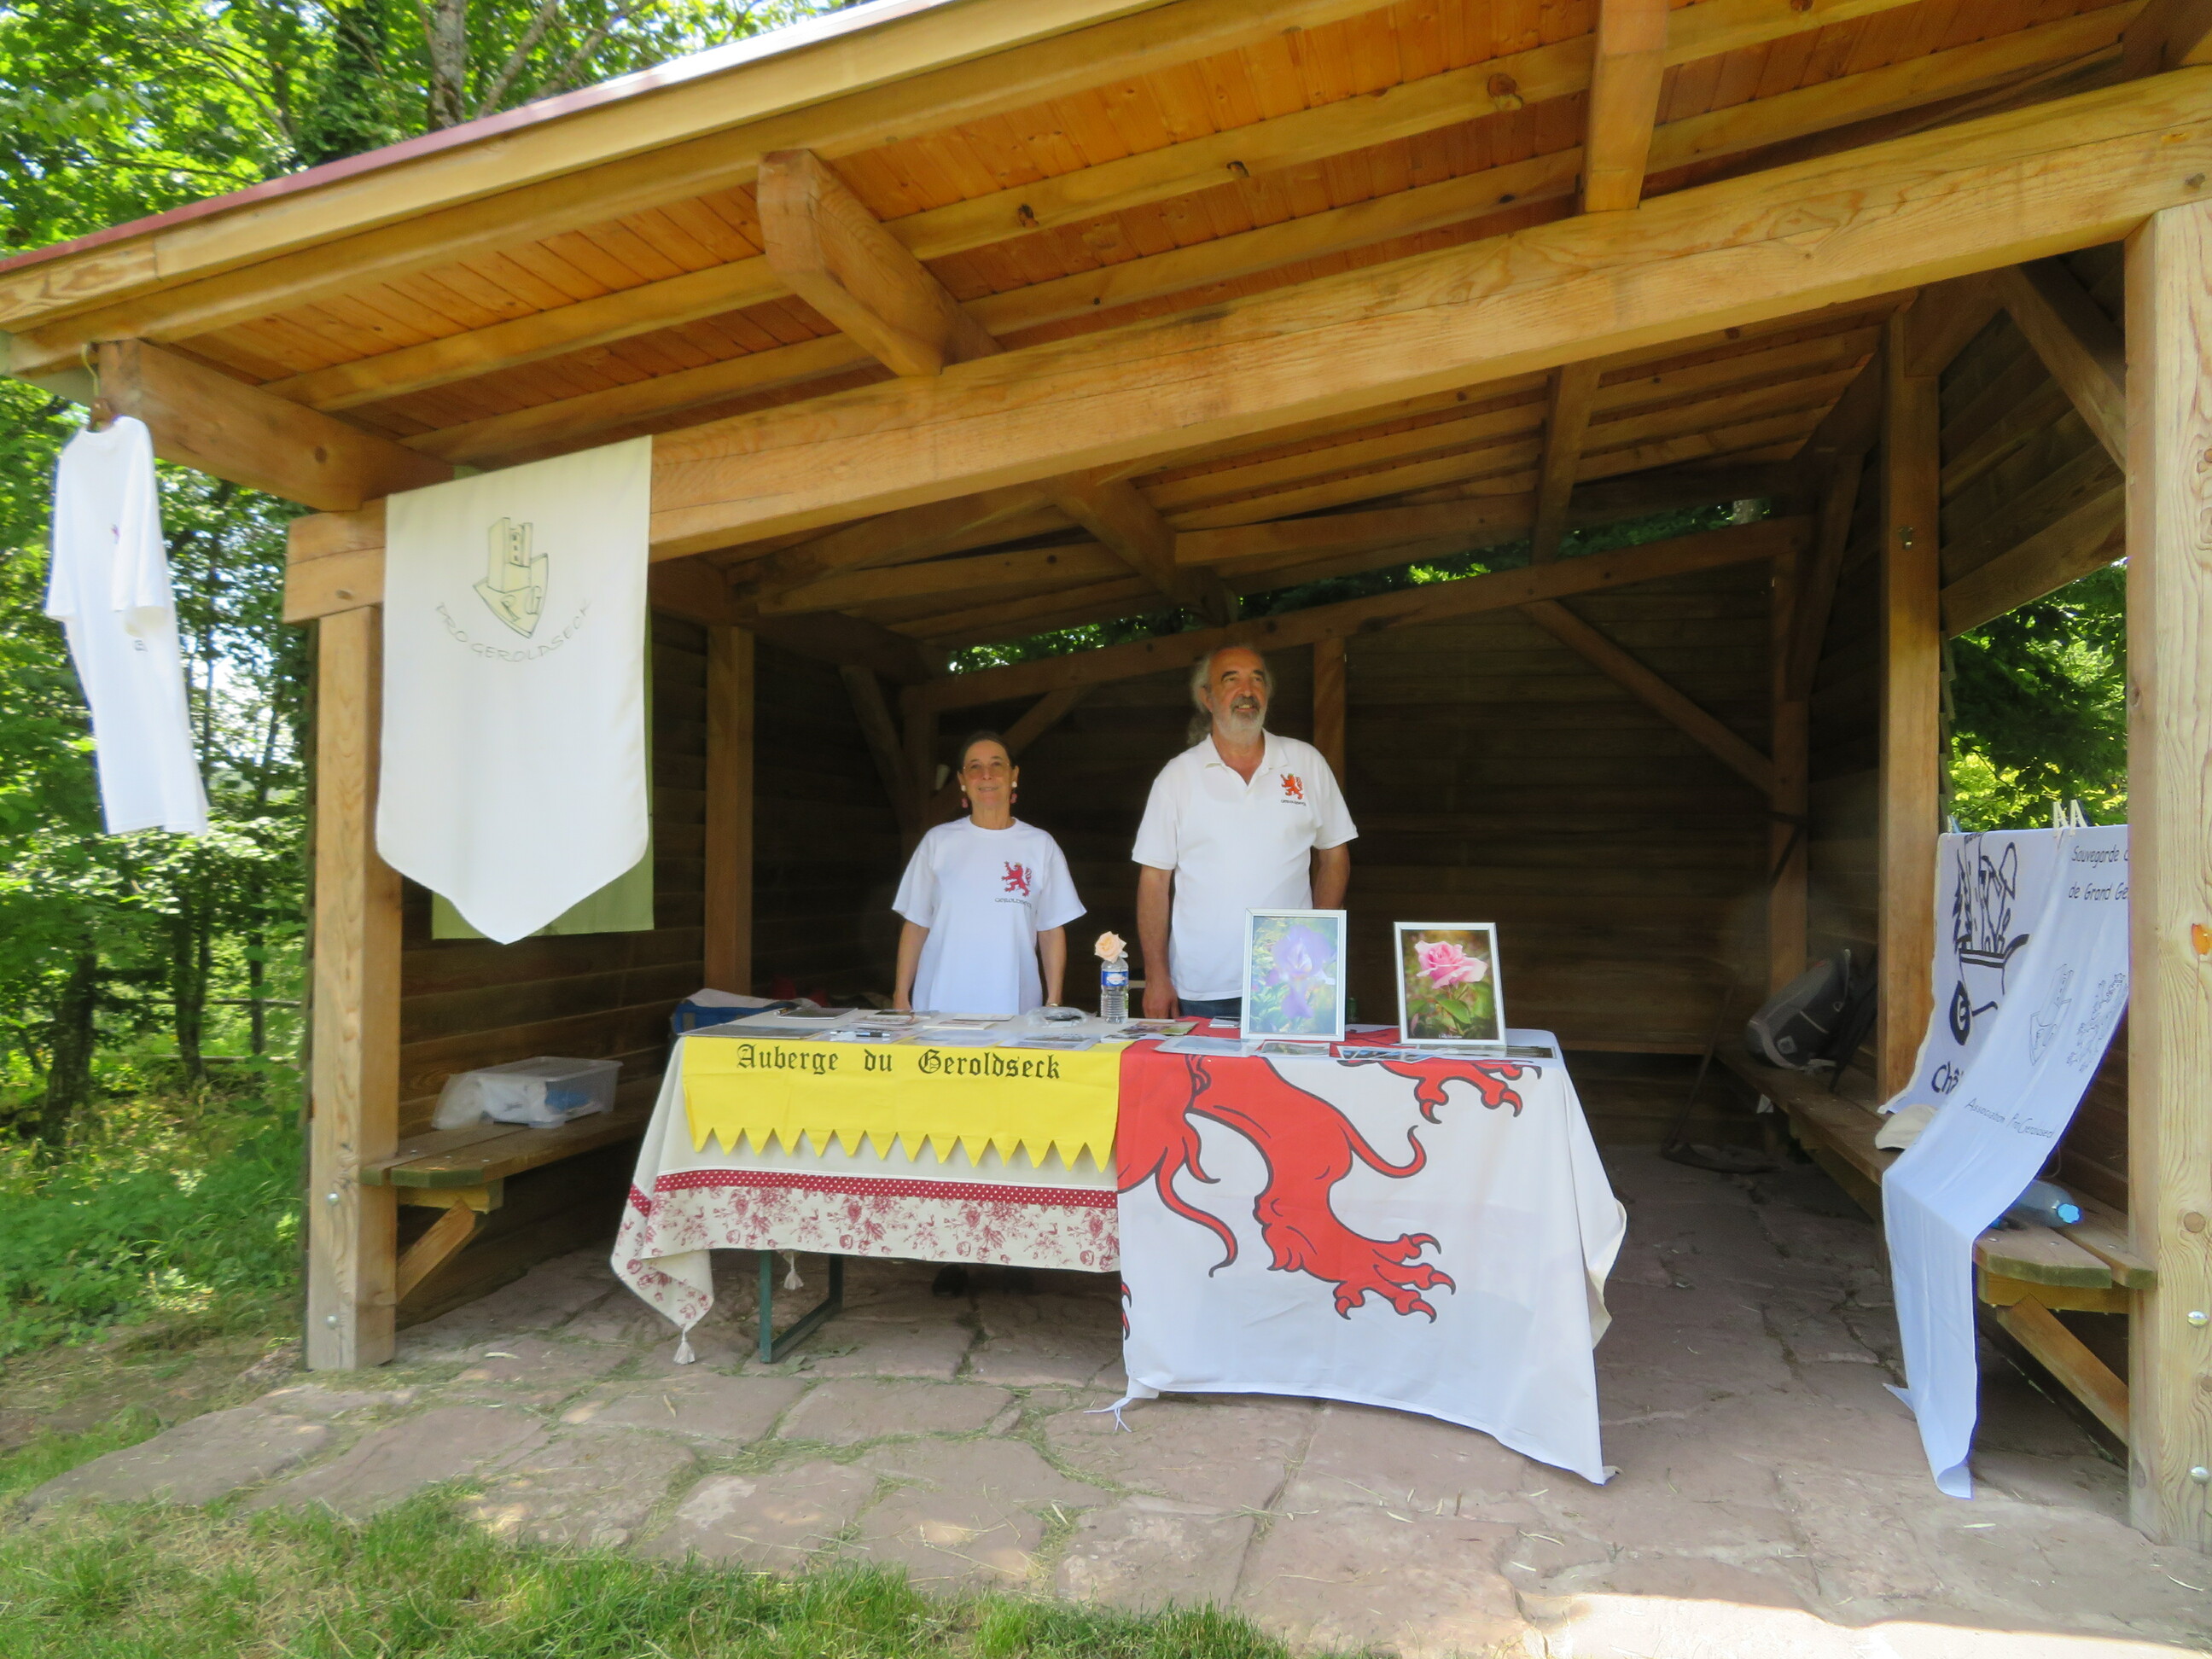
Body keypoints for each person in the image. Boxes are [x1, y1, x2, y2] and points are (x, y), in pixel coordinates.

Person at [1132, 645, 1356, 1020]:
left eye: (1257, 679)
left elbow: (1335, 855)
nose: (1247, 690)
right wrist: (1156, 977)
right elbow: (1154, 880)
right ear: (1207, 697)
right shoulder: (1178, 777)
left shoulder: (1305, 762)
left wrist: (1318, 941)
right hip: (1203, 985)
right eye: (1231, 679)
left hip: (1292, 983)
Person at [893, 731, 1083, 1016]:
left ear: (1014, 775)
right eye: (975, 767)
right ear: (962, 780)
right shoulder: (938, 842)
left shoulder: (1040, 845)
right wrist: (900, 997)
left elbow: (1051, 930)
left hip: (1014, 1008)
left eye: (997, 764)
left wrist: (1053, 1002)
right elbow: (917, 924)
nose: (986, 775)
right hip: (939, 1004)